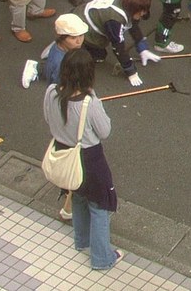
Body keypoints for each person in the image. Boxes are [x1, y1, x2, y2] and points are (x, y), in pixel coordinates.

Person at [43, 49, 123, 270]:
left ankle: (82, 240)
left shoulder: (51, 92)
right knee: (99, 205)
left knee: (78, 196)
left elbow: (48, 118)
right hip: (89, 159)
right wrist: (94, 97)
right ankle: (102, 258)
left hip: (64, 153)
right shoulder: (89, 102)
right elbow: (105, 131)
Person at [74, 0, 162, 86]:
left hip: (82, 13)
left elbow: (133, 26)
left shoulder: (125, 2)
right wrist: (130, 70)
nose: (143, 14)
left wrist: (143, 48)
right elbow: (118, 47)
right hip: (82, 27)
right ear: (134, 10)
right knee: (98, 56)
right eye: (141, 12)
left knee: (101, 51)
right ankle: (80, 47)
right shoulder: (114, 20)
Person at [22, 14, 90, 89]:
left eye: (81, 35)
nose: (79, 41)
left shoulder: (63, 47)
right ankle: (36, 68)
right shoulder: (60, 65)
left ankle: (38, 67)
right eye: (73, 38)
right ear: (62, 37)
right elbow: (57, 87)